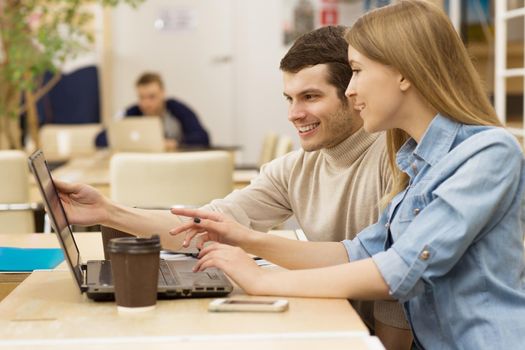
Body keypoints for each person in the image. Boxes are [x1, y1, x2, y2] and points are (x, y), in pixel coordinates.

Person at [169, 1, 525, 349]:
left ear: (403, 72)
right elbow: (356, 253)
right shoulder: (416, 161)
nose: (351, 90)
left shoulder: (488, 152)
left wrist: (262, 280)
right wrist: (246, 238)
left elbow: (399, 271)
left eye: (357, 70)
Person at [55, 26, 411, 348]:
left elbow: (397, 290)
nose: (293, 114)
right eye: (290, 98)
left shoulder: (394, 158)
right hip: (337, 326)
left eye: (310, 97)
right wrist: (106, 211)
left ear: (352, 92)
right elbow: (210, 225)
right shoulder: (295, 169)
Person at [95, 72, 210, 150]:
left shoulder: (177, 109)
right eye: (141, 97)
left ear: (163, 93)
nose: (146, 103)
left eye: (152, 97)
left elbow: (203, 137)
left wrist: (176, 144)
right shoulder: (132, 112)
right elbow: (100, 139)